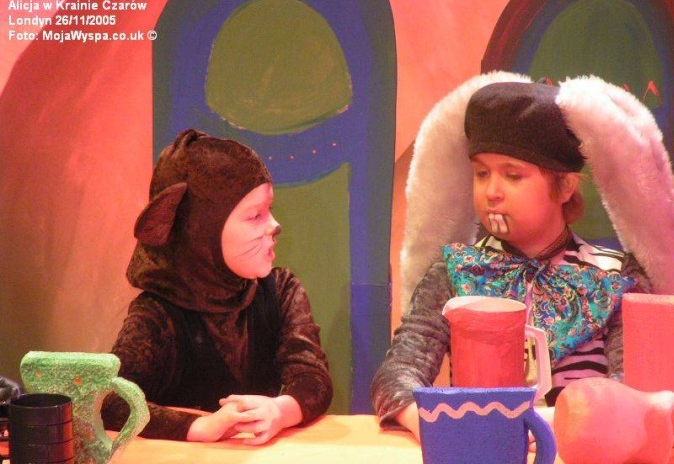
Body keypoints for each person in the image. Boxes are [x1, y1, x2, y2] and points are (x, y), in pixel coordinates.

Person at [371, 71, 674, 440]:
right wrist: (435, 427)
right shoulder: (455, 271)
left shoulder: (616, 278)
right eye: (482, 173)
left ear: (565, 185)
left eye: (512, 176)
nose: (492, 192)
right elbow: (397, 375)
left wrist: (554, 428)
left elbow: (634, 392)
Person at [102, 129, 332, 443]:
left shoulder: (280, 290)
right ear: (202, 231)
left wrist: (280, 410)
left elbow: (312, 376)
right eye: (255, 215)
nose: (274, 225)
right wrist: (199, 427)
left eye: (269, 210)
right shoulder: (158, 313)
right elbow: (113, 401)